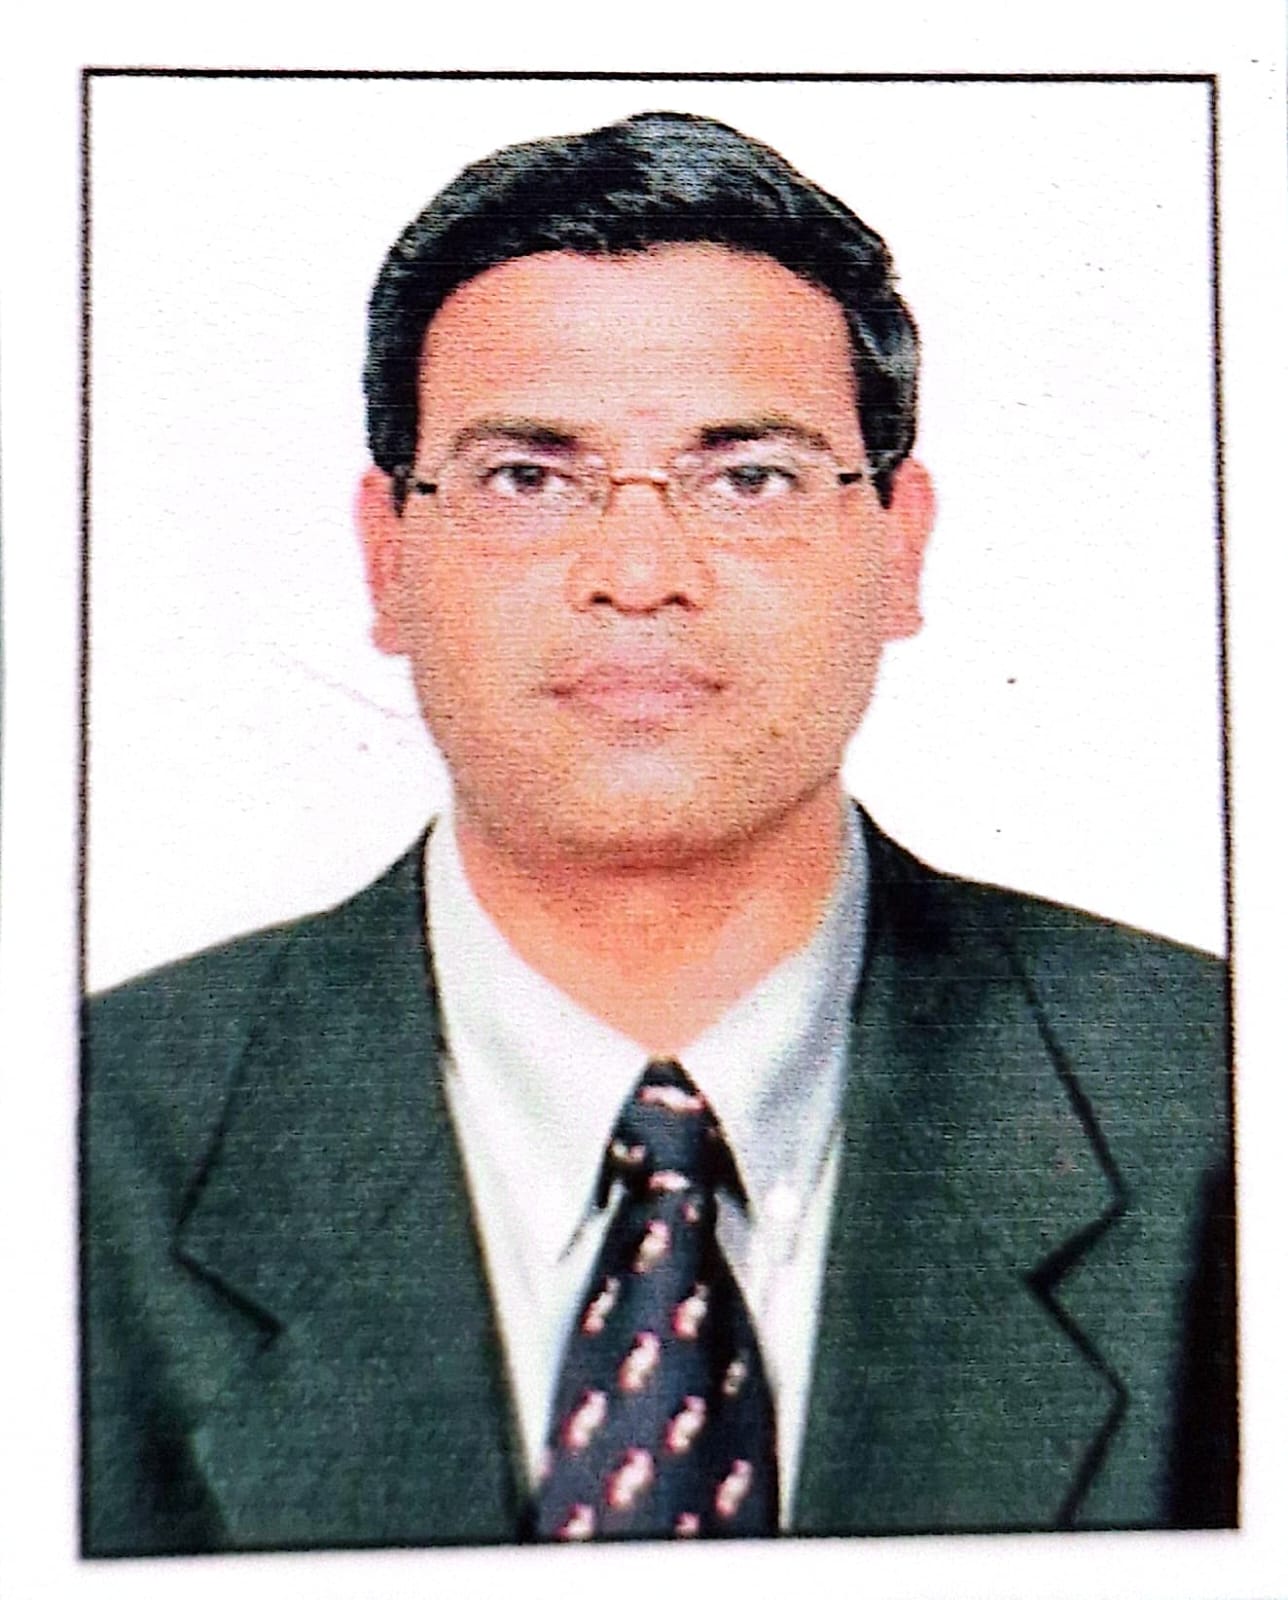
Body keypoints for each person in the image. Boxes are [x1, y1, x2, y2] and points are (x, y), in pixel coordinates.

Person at [83, 110, 1234, 1555]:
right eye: (528, 479)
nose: (636, 573)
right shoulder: (78, 1139)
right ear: (388, 559)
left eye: (747, 477)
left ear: (899, 545)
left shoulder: (1222, 1105)